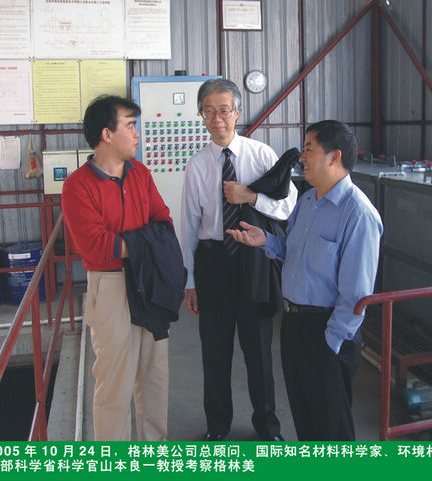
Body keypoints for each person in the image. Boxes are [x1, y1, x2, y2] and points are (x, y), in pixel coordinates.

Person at [227, 120, 383, 440]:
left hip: (326, 330)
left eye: (309, 149)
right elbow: (294, 251)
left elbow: (356, 294)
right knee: (305, 418)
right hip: (294, 325)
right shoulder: (308, 202)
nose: (302, 157)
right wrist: (266, 241)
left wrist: (331, 342)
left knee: (331, 428)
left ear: (334, 157)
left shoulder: (358, 213)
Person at [181, 78, 297, 441]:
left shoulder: (261, 155)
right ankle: (218, 426)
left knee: (259, 349)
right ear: (201, 115)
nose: (217, 118)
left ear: (238, 112)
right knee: (214, 352)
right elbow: (189, 226)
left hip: (253, 258)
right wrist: (189, 282)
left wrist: (251, 197)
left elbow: (289, 205)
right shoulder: (197, 165)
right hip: (213, 263)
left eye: (224, 110)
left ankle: (268, 426)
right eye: (209, 111)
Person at [62, 95, 173, 441]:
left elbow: (164, 223)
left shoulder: (140, 174)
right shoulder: (78, 186)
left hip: (149, 281)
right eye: (130, 125)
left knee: (154, 377)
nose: (137, 133)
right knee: (114, 383)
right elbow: (98, 247)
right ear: (107, 134)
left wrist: (135, 243)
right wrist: (148, 241)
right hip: (110, 287)